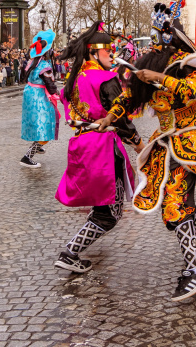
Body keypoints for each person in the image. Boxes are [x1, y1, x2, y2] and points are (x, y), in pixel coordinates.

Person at [98, 3, 196, 301]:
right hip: (166, 143)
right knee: (177, 202)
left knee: (175, 205)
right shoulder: (149, 65)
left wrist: (158, 77)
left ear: (169, 36)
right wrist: (109, 117)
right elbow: (129, 97)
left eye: (158, 36)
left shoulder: (188, 64)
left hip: (193, 142)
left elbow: (195, 93)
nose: (153, 43)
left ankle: (195, 270)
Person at [53, 22, 143, 274]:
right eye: (108, 52)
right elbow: (121, 115)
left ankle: (71, 251)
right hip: (103, 148)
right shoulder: (106, 78)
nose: (112, 56)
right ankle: (70, 252)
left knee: (101, 205)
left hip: (81, 144)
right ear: (94, 53)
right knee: (109, 213)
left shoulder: (74, 78)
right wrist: (138, 144)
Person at [20, 30, 60, 168]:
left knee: (36, 122)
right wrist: (59, 94)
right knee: (46, 125)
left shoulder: (31, 62)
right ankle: (28, 156)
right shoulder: (45, 66)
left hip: (30, 93)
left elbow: (22, 78)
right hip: (39, 96)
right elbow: (50, 84)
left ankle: (38, 146)